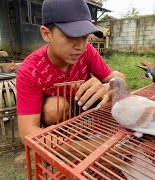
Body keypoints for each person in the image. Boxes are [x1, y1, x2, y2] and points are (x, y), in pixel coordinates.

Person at [16, 0, 126, 144]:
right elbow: (26, 132)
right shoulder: (30, 70)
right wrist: (89, 148)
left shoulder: (87, 51)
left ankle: (90, 129)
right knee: (54, 107)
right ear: (46, 34)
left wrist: (108, 86)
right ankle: (61, 140)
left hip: (84, 110)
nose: (80, 46)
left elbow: (120, 78)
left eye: (85, 37)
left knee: (112, 94)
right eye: (71, 36)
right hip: (58, 121)